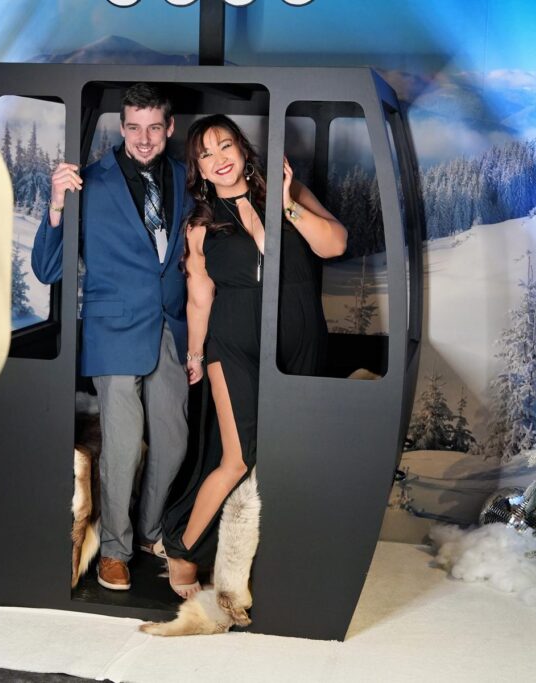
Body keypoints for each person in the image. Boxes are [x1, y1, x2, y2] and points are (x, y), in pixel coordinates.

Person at [158, 114, 347, 597]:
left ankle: (279, 563)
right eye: (205, 154)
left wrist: (287, 206)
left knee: (290, 453)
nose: (219, 159)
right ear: (198, 169)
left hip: (300, 336)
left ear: (243, 151)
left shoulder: (288, 193)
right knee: (237, 458)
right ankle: (181, 548)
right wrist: (196, 353)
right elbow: (200, 295)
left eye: (225, 147)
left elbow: (335, 245)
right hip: (232, 343)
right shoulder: (200, 226)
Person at [32, 84, 193, 592]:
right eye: (132, 128)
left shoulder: (188, 179)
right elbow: (48, 266)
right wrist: (56, 205)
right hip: (115, 328)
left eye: (153, 128)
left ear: (169, 129)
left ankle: (148, 532)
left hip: (171, 325)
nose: (143, 139)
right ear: (120, 128)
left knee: (174, 441)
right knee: (122, 446)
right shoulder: (90, 183)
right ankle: (116, 551)